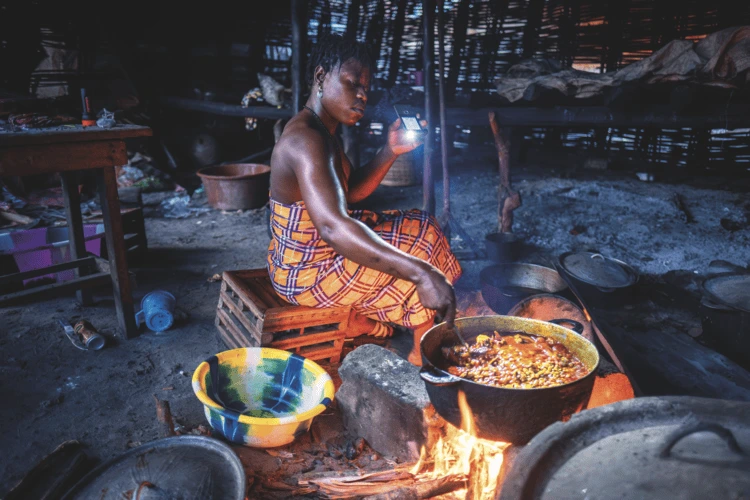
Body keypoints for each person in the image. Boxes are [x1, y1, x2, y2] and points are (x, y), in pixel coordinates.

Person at [267, 33, 461, 365]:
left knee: (423, 225)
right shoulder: (305, 140)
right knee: (419, 249)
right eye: (352, 82)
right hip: (306, 271)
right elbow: (331, 226)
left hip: (318, 257)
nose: (361, 95)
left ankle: (385, 326)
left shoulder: (323, 132)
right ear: (320, 76)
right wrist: (421, 274)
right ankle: (421, 355)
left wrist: (390, 150)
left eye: (366, 89)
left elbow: (350, 192)